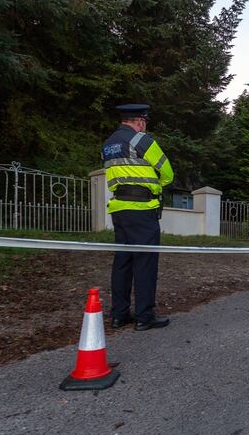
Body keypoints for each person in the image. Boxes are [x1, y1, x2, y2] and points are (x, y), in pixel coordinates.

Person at [102, 104, 174, 331]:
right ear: (140, 121)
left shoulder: (108, 144)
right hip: (142, 208)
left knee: (122, 262)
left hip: (119, 208)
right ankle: (144, 316)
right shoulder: (142, 141)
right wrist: (156, 187)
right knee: (145, 262)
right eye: (145, 122)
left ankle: (119, 315)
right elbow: (168, 173)